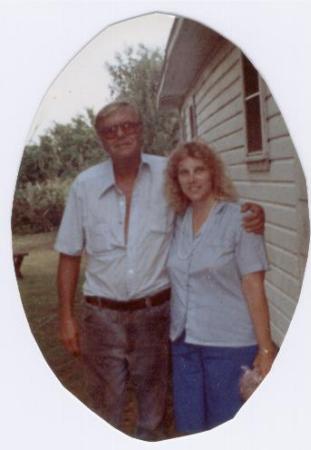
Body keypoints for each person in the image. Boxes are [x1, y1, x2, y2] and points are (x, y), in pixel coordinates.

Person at [55, 101, 265, 440]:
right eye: (111, 130)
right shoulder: (84, 186)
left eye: (128, 126)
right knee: (104, 411)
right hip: (101, 317)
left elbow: (208, 197)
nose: (121, 134)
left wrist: (252, 213)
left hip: (155, 317)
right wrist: (65, 316)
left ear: (141, 129)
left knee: (152, 413)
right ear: (100, 139)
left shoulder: (170, 173)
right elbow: (68, 254)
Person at [165, 140, 277, 434]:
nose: (192, 179)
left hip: (229, 346)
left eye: (199, 170)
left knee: (227, 430)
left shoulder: (241, 219)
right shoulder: (177, 221)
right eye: (184, 172)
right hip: (184, 344)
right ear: (176, 180)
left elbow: (254, 286)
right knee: (190, 429)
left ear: (213, 172)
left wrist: (265, 349)